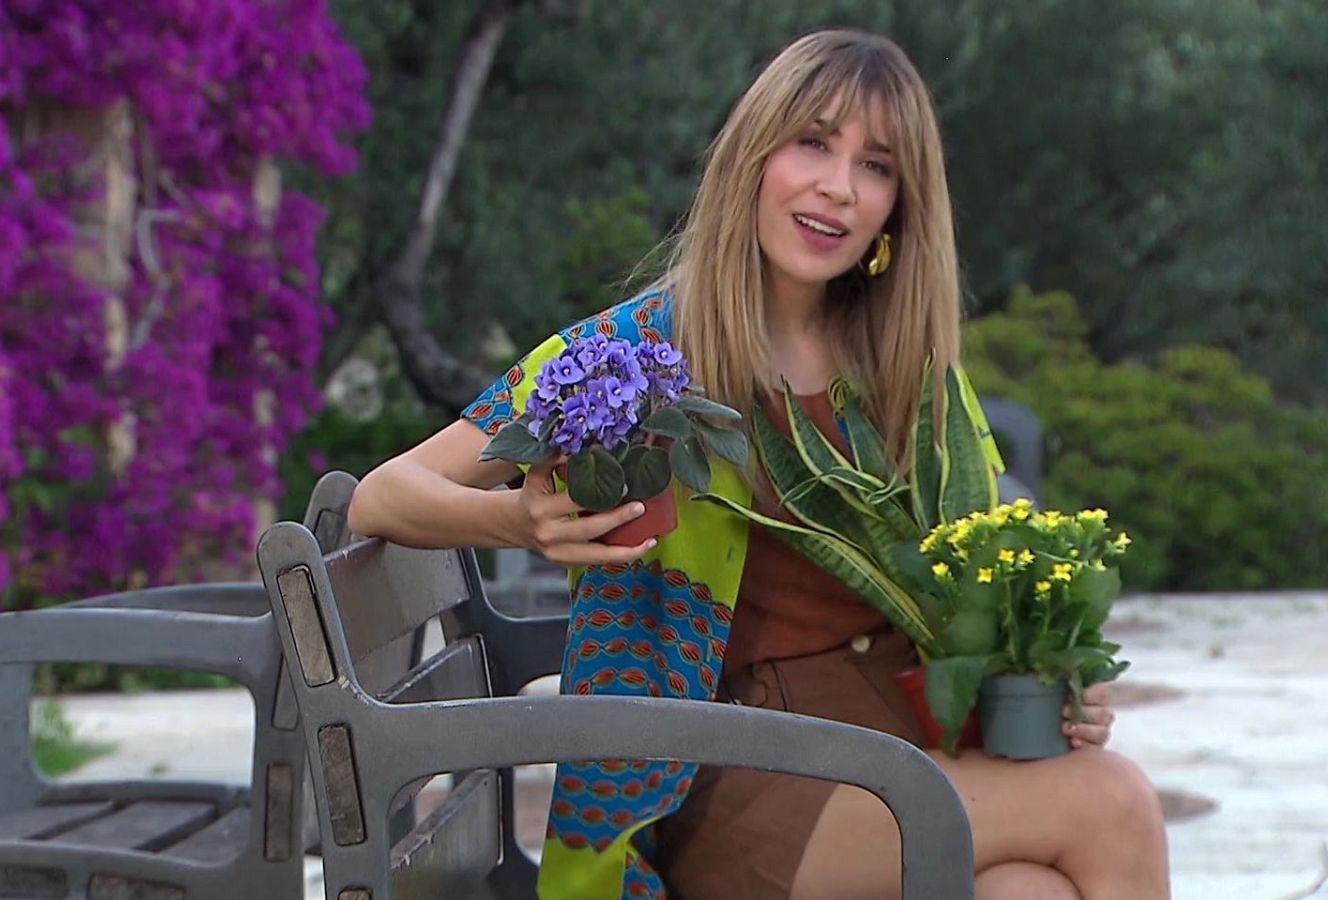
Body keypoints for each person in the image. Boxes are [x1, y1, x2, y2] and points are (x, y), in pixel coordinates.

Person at [348, 28, 1170, 900]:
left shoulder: (903, 376)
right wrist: (514, 520)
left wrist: (1053, 677)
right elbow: (381, 497)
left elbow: (973, 582)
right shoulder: (639, 354)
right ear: (754, 155)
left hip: (896, 749)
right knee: (1111, 803)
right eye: (813, 143)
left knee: (1026, 896)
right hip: (737, 767)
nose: (838, 188)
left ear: (899, 208)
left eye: (876, 166)